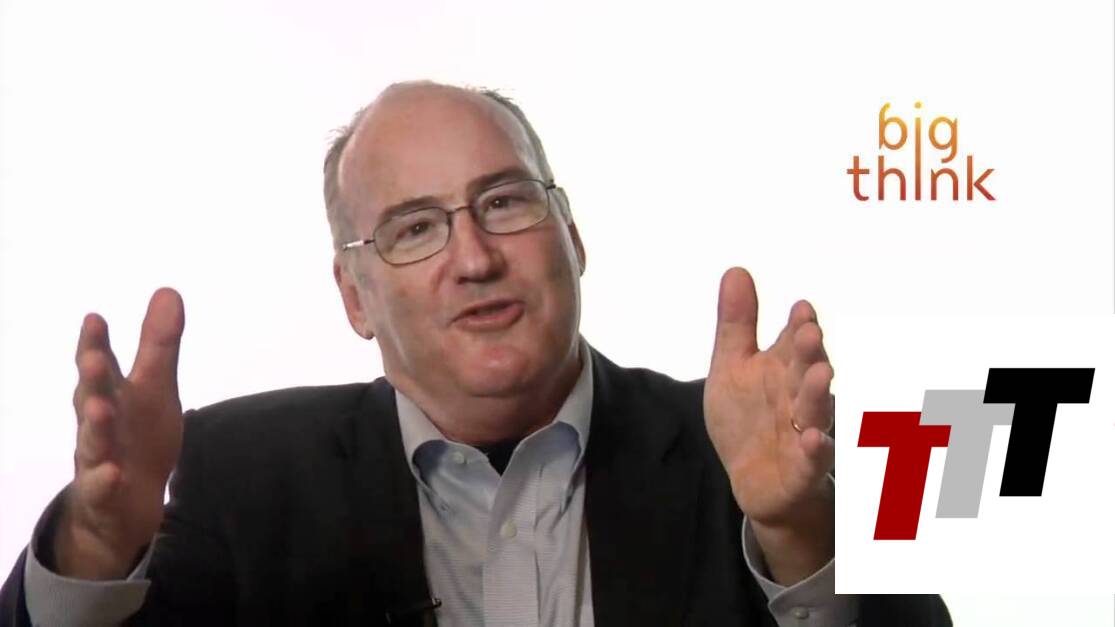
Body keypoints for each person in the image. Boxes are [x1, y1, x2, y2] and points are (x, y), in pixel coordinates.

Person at [0, 81, 950, 626]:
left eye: (503, 201)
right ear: (353, 295)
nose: (474, 256)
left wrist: (801, 535)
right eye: (414, 227)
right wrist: (95, 549)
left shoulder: (759, 448)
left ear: (572, 235)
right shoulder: (242, 475)